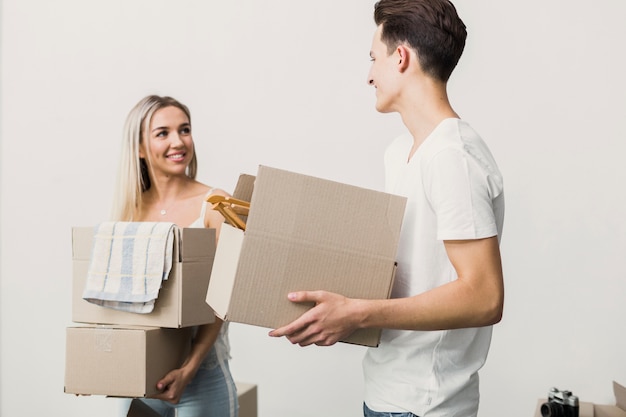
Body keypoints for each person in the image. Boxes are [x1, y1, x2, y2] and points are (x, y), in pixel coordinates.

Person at [269, 1, 505, 416]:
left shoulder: (453, 156)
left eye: (373, 58)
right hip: (384, 392)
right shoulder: (401, 152)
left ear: (401, 57)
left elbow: (484, 297)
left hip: (428, 405)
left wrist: (358, 313)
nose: (369, 75)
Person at [111, 95, 239, 417]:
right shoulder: (130, 212)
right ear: (140, 147)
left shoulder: (215, 204)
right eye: (162, 133)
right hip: (141, 378)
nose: (178, 141)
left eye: (184, 129)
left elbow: (225, 296)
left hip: (202, 376)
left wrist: (190, 365)